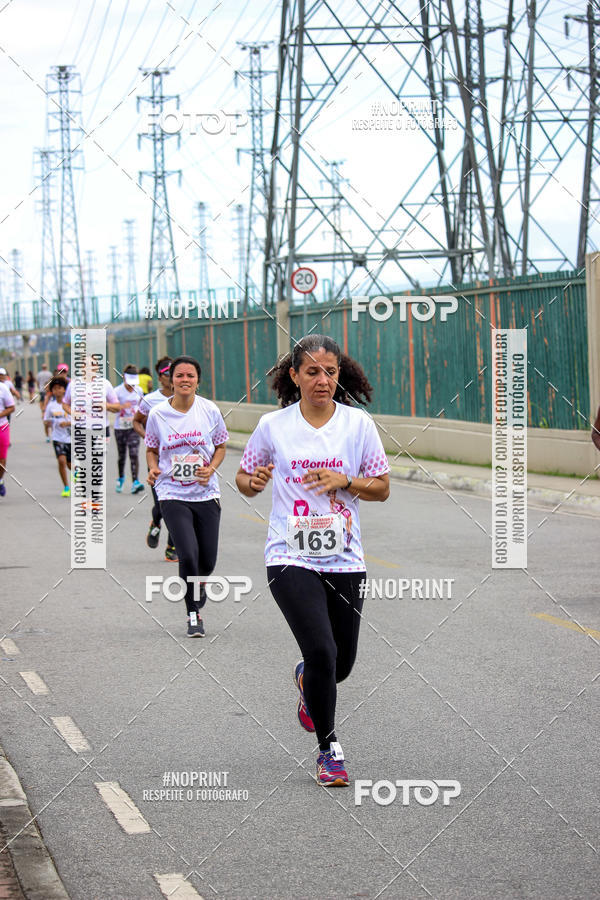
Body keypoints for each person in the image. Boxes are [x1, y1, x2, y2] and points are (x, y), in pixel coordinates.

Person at [235, 334, 390, 787]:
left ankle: (307, 680)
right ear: (294, 375)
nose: (323, 380)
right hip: (288, 555)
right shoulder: (273, 426)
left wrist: (346, 480)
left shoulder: (357, 425)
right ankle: (329, 750)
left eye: (331, 371)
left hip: (345, 557)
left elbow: (381, 487)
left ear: (339, 375)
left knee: (340, 665)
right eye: (313, 372)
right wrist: (255, 481)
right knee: (321, 650)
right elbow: (245, 478)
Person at [145, 356, 228, 637]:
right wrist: (154, 468)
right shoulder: (158, 414)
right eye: (179, 375)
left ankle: (199, 582)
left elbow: (221, 446)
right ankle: (194, 613)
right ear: (170, 380)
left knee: (207, 561)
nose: (184, 380)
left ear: (197, 380)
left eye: (190, 376)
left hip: (205, 493)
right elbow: (151, 449)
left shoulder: (210, 410)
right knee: (188, 556)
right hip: (171, 492)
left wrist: (211, 468)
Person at [133, 356, 177, 560]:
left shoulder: (188, 397)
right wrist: (150, 440)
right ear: (160, 377)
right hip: (158, 460)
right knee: (162, 503)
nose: (172, 377)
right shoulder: (150, 400)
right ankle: (156, 522)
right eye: (168, 373)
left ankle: (172, 547)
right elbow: (136, 422)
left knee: (179, 503)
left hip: (182, 461)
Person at [114, 365, 145, 494]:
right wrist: (122, 406)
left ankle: (135, 481)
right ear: (123, 378)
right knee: (122, 455)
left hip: (133, 427)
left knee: (134, 453)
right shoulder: (117, 391)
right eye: (129, 383)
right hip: (120, 427)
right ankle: (121, 477)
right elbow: (112, 407)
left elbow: (142, 407)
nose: (130, 386)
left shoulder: (139, 390)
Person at [43, 376, 72, 497]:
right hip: (57, 438)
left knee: (70, 464)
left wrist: (68, 423)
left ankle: (76, 474)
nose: (57, 391)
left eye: (59, 388)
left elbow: (80, 419)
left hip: (71, 438)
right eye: (54, 389)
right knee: (61, 461)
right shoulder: (51, 405)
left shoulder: (71, 404)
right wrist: (49, 422)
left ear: (64, 390)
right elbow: (46, 420)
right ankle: (66, 487)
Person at [0, 378, 15, 496]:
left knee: (2, 459)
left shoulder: (3, 388)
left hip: (2, 427)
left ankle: (0, 480)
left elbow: (11, 407)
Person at [36, 363, 53, 439]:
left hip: (42, 389)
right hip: (47, 390)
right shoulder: (49, 373)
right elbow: (52, 380)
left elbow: (38, 382)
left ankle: (43, 410)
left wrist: (39, 387)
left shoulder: (39, 374)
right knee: (45, 400)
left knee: (42, 401)